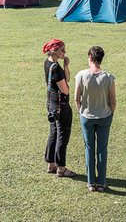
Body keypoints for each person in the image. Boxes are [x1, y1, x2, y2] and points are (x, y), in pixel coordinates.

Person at [74, 45, 116, 192]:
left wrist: (81, 112)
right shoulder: (109, 77)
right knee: (102, 149)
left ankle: (91, 182)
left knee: (89, 148)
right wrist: (110, 114)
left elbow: (76, 99)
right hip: (104, 117)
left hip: (87, 117)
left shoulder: (81, 75)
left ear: (90, 58)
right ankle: (102, 182)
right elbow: (113, 101)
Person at [43, 39, 76, 177]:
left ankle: (51, 165)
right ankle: (61, 168)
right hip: (61, 107)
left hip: (51, 104)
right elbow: (65, 90)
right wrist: (67, 88)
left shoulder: (49, 63)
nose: (64, 52)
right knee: (62, 136)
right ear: (54, 50)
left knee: (53, 134)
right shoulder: (55, 68)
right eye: (62, 50)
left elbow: (67, 79)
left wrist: (66, 66)